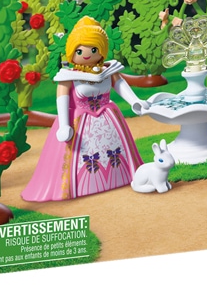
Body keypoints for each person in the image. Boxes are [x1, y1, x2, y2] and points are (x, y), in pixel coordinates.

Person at [22, 17, 147, 202]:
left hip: (108, 118)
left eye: (93, 49)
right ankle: (78, 187)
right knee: (74, 159)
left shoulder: (108, 70)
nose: (86, 55)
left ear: (101, 50)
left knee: (118, 151)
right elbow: (62, 98)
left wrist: (135, 101)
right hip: (79, 121)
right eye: (79, 51)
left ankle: (121, 176)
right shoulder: (68, 76)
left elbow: (119, 84)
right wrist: (64, 125)